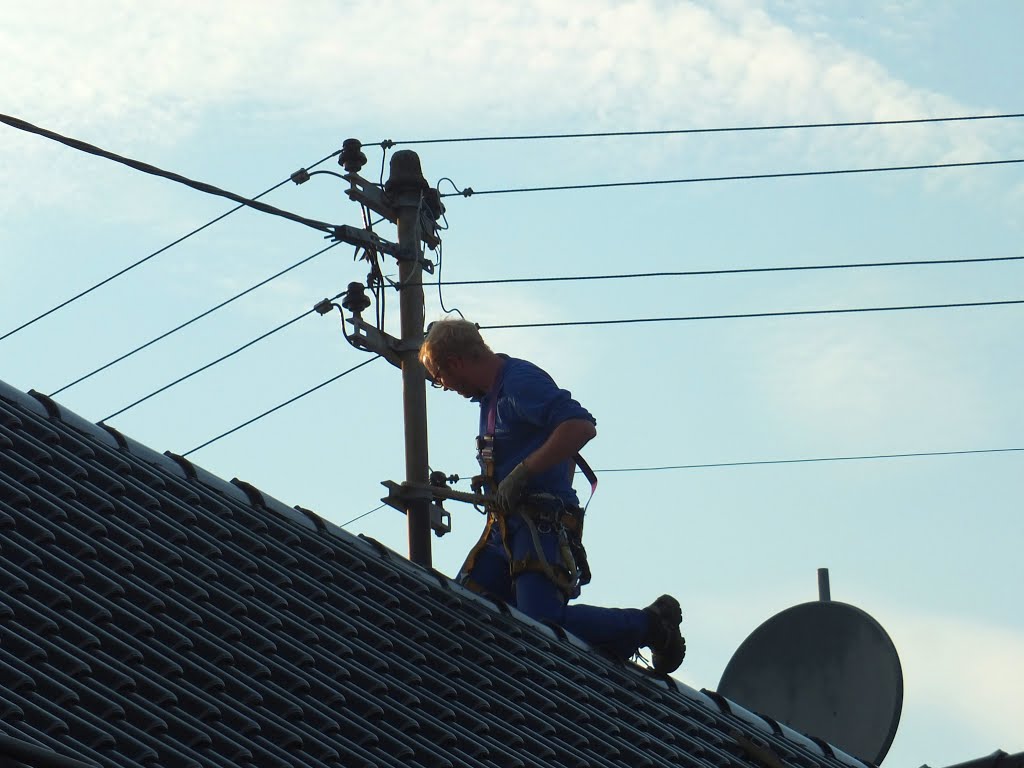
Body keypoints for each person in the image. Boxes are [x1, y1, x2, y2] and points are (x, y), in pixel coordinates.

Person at [420, 318, 685, 674]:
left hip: (539, 530)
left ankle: (651, 625)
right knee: (464, 609)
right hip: (507, 532)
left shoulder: (518, 384)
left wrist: (526, 474)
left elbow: (579, 427)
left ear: (455, 364)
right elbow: (556, 442)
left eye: (441, 379)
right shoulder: (492, 399)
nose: (446, 386)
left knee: (540, 626)